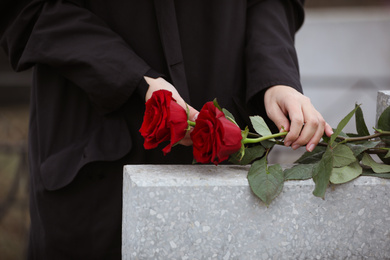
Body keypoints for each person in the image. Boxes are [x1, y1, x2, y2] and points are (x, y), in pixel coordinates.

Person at [1, 0, 333, 258]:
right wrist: (134, 78)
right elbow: (27, 10)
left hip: (225, 170)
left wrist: (275, 80)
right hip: (93, 165)